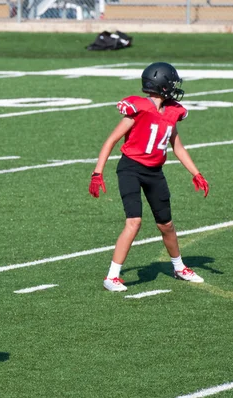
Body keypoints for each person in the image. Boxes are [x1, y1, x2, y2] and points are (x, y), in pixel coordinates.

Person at [89, 62, 209, 292]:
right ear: (162, 85)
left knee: (167, 225)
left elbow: (178, 147)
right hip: (131, 169)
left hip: (155, 172)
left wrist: (196, 173)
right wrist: (97, 172)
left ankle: (178, 267)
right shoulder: (139, 108)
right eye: (172, 83)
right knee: (134, 222)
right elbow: (111, 140)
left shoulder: (172, 111)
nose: (175, 88)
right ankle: (112, 277)